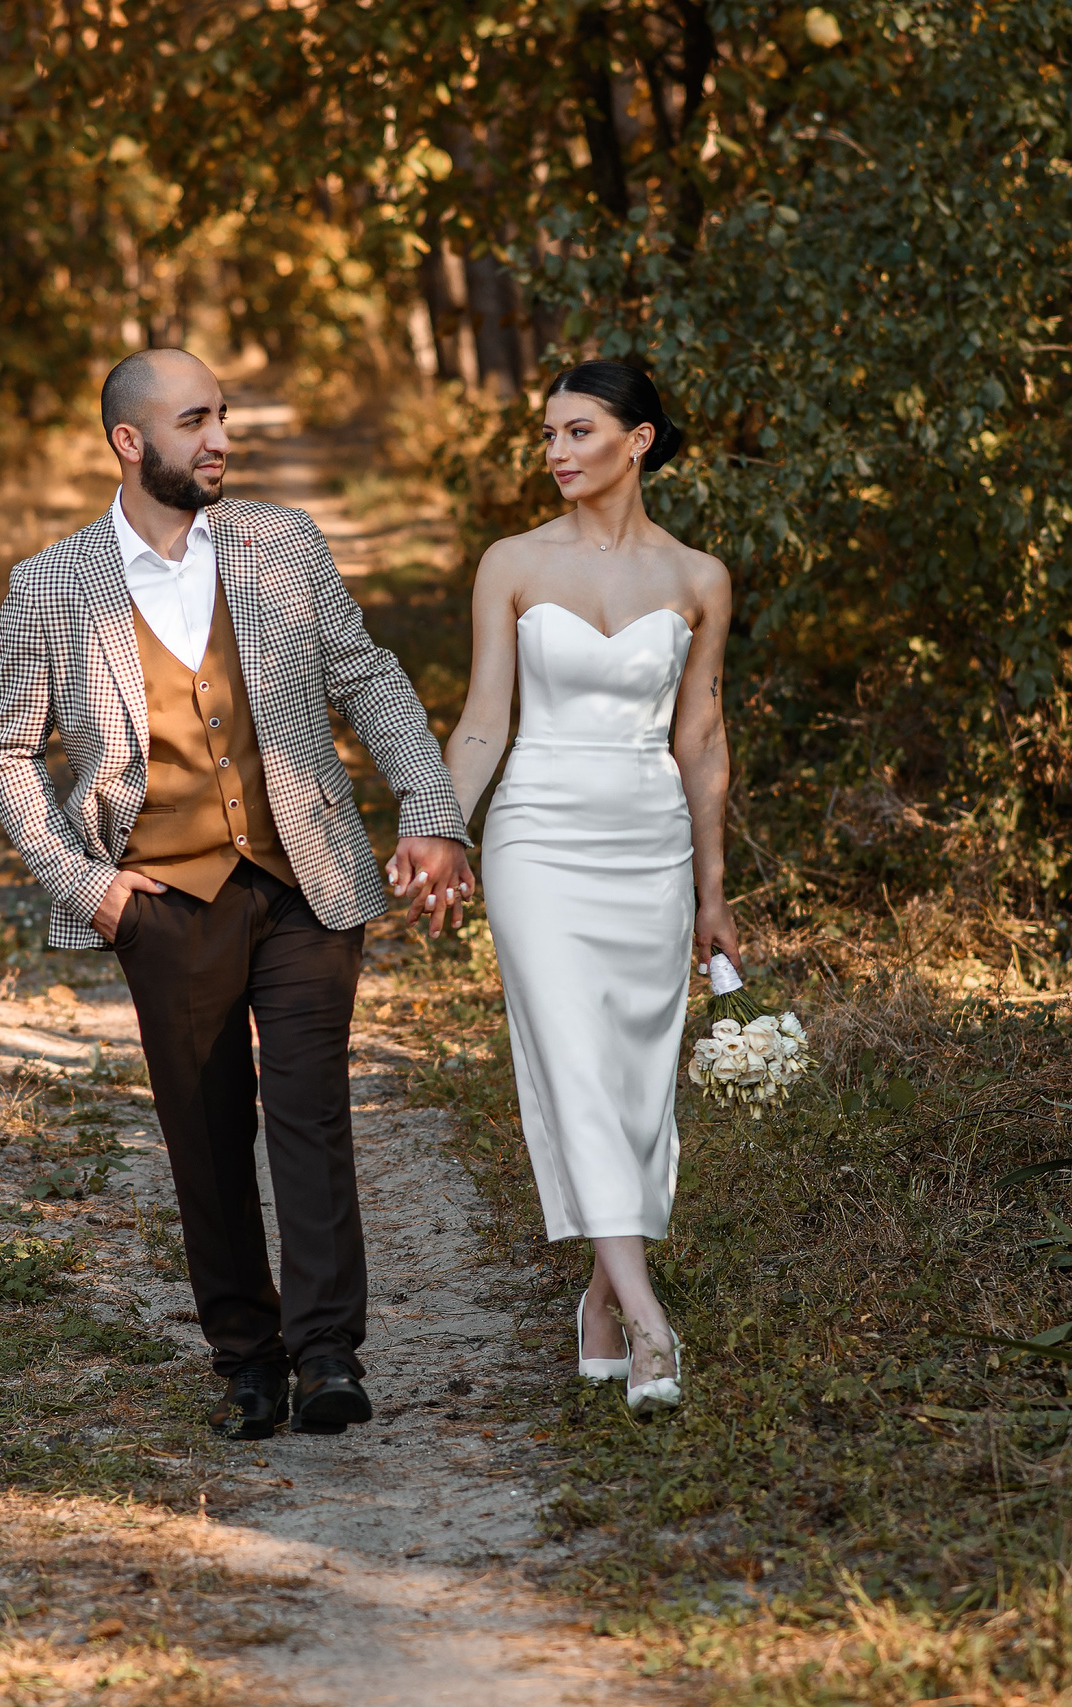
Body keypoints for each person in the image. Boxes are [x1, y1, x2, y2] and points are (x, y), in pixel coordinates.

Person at [0, 348, 477, 1441]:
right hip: (164, 898)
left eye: (224, 416)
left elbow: (367, 674)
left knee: (310, 1111)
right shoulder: (49, 585)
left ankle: (328, 1349)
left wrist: (429, 808)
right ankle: (246, 1360)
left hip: (303, 877)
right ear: (128, 442)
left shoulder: (278, 543)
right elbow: (3, 752)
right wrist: (85, 882)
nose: (220, 439)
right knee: (203, 1132)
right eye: (195, 420)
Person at [440, 360, 733, 1415]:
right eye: (548, 435)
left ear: (638, 441)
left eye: (578, 432)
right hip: (536, 839)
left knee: (635, 1081)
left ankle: (600, 1300)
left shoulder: (699, 578)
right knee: (568, 1057)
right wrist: (437, 826)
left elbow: (700, 738)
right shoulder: (510, 563)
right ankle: (649, 1321)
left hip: (649, 843)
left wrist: (711, 889)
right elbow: (483, 720)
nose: (556, 452)